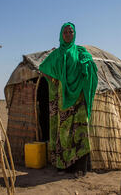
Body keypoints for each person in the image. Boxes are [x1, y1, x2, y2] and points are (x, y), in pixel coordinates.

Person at [39, 22, 98, 177]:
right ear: (61, 35)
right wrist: (54, 80)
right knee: (63, 133)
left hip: (78, 98)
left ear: (74, 34)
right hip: (63, 99)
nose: (68, 34)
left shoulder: (80, 51)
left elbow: (90, 65)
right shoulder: (57, 54)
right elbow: (43, 68)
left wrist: (87, 63)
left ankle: (80, 167)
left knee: (80, 131)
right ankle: (64, 165)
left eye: (70, 31)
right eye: (65, 32)